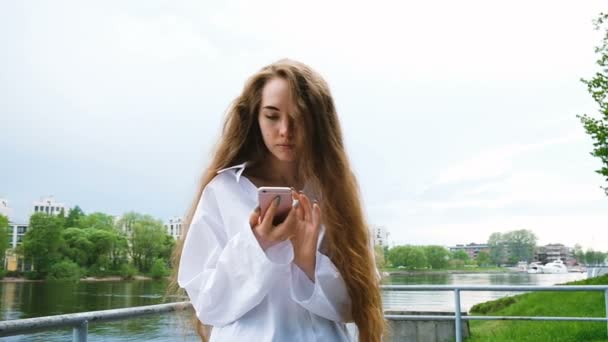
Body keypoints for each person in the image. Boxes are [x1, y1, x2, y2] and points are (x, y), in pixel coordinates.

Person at [174, 59, 384, 342]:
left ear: (318, 123)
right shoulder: (223, 191)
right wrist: (257, 244)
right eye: (272, 116)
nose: (285, 130)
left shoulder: (334, 193)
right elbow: (208, 306)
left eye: (300, 118)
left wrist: (308, 261)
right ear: (255, 118)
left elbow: (353, 306)